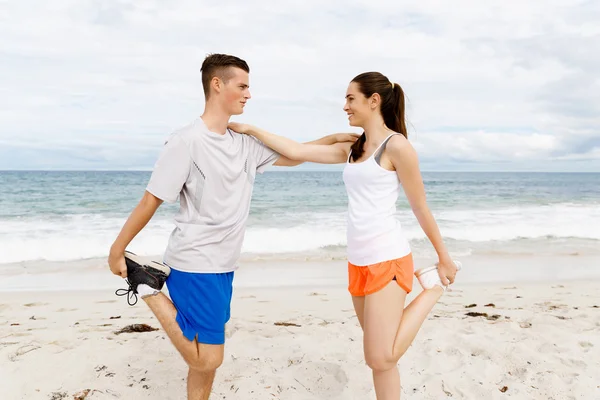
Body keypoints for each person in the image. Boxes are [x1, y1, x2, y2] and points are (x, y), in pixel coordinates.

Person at [107, 53, 358, 400]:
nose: (248, 94)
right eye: (242, 86)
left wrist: (351, 139)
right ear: (217, 84)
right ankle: (147, 285)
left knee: (202, 360)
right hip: (196, 262)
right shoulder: (186, 142)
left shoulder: (243, 144)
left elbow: (301, 153)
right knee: (209, 357)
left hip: (224, 265)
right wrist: (117, 250)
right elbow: (151, 200)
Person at [228, 71, 460, 400]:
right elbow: (297, 151)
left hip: (388, 258)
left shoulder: (398, 147)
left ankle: (432, 288)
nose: (345, 105)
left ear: (374, 100)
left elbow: (420, 207)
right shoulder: (354, 148)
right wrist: (251, 129)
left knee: (380, 355)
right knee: (381, 361)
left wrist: (443, 258)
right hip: (358, 261)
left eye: (351, 98)